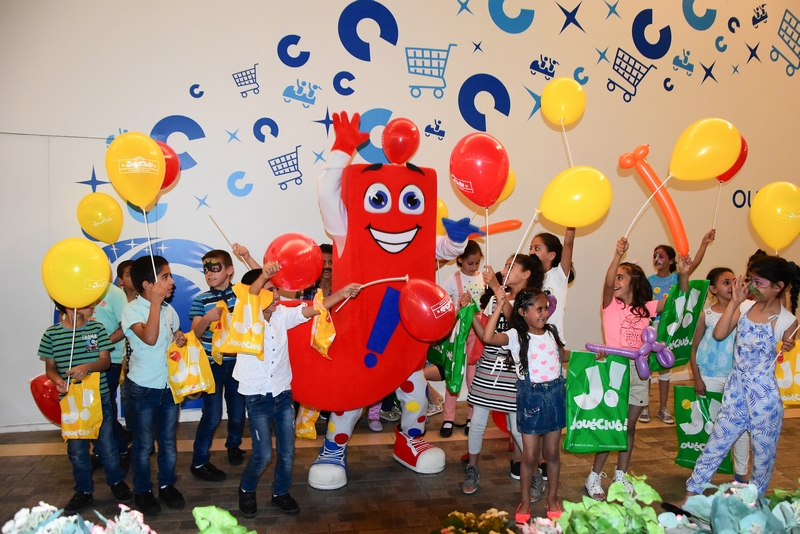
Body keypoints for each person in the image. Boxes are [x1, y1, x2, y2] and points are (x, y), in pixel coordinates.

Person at [235, 263, 360, 517]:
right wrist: (263, 276)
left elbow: (317, 308)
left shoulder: (282, 314)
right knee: (263, 454)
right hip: (256, 396)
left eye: (278, 290)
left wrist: (343, 292)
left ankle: (280, 492)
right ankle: (247, 490)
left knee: (288, 452)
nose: (278, 296)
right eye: (271, 290)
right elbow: (250, 297)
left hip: (282, 394)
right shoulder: (245, 315)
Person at [682, 256, 798, 498]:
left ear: (778, 287)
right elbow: (720, 334)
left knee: (763, 456)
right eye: (751, 281)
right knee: (716, 443)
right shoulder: (745, 307)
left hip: (764, 397)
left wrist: (788, 344)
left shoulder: (787, 321)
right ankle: (692, 493)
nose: (752, 287)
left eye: (760, 283)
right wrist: (735, 302)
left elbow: (789, 343)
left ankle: (754, 501)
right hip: (736, 390)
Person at [584, 237, 690, 500]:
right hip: (615, 367)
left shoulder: (647, 309)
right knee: (612, 424)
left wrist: (684, 275)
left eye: (622, 277)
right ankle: (594, 476)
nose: (616, 281)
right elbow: (607, 283)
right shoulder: (611, 305)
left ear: (634, 282)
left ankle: (621, 476)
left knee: (629, 427)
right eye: (616, 277)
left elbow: (680, 300)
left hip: (639, 370)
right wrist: (617, 256)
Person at [482, 287, 569, 522]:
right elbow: (487, 337)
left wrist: (591, 355)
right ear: (522, 312)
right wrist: (500, 305)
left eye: (546, 308)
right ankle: (526, 501)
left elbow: (562, 355)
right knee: (530, 456)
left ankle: (552, 499)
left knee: (552, 453)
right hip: (531, 398)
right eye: (539, 308)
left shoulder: (551, 331)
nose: (545, 312)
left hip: (556, 396)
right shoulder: (514, 335)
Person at [39, 300, 133, 514]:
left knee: (107, 446)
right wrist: (57, 381)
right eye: (84, 302)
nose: (92, 305)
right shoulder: (51, 334)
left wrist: (88, 367)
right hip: (72, 403)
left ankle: (116, 482)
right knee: (77, 451)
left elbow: (105, 362)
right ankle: (83, 490)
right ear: (66, 305)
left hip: (99, 400)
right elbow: (50, 368)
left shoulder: (96, 328)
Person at [462, 254, 544, 495]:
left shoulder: (532, 300)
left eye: (511, 266)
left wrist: (497, 289)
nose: (505, 269)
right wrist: (470, 311)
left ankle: (536, 473)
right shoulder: (498, 297)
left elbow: (518, 323)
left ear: (526, 274)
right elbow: (486, 334)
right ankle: (473, 468)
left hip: (513, 371)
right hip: (488, 368)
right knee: (476, 422)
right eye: (505, 265)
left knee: (517, 427)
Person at [121, 255, 187, 516]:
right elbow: (148, 338)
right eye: (165, 277)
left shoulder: (170, 310)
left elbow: (170, 336)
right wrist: (157, 304)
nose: (171, 281)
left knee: (168, 442)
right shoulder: (132, 310)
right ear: (148, 284)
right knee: (143, 444)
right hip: (142, 388)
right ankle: (143, 490)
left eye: (170, 276)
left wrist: (178, 338)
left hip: (169, 387)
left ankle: (167, 484)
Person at [641, 230, 714, 425]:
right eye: (654, 255)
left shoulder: (676, 279)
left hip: (671, 329)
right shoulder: (649, 280)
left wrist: (704, 244)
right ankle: (644, 406)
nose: (657, 259)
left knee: (665, 368)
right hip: (653, 328)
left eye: (661, 255)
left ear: (672, 260)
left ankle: (663, 407)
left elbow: (694, 264)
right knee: (647, 367)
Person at [188, 249, 247, 483]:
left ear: (229, 270)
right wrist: (206, 318)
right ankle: (199, 460)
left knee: (236, 412)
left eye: (215, 268)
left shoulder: (241, 295)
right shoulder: (201, 300)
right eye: (205, 269)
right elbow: (194, 333)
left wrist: (246, 254)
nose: (209, 273)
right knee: (211, 416)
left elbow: (262, 285)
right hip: (212, 365)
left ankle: (234, 444)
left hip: (237, 364)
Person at [688, 267, 750, 482]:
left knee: (740, 426)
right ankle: (705, 471)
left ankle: (741, 473)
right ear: (713, 289)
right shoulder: (706, 315)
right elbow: (693, 348)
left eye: (734, 281)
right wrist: (697, 377)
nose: (732, 285)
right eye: (725, 282)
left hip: (737, 377)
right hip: (710, 375)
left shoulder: (744, 312)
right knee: (713, 425)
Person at [528, 228, 575, 481]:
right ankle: (531, 461)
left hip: (554, 348)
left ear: (552, 255)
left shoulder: (558, 275)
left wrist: (572, 222)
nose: (532, 252)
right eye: (531, 248)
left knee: (551, 405)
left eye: (537, 248)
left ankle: (549, 460)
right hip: (532, 348)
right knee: (533, 404)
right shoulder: (529, 279)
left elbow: (569, 243)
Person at [436, 240, 484, 438]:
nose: (474, 267)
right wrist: (458, 306)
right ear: (460, 260)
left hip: (477, 332)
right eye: (470, 263)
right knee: (454, 374)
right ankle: (448, 418)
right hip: (457, 333)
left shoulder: (483, 279)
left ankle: (471, 418)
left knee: (473, 378)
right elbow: (443, 307)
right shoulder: (451, 279)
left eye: (477, 263)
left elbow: (487, 305)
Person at [91, 280, 133, 472]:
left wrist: (103, 345)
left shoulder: (114, 293)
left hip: (111, 358)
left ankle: (121, 449)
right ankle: (106, 450)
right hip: (83, 361)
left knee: (103, 406)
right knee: (94, 408)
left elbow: (126, 326)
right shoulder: (73, 290)